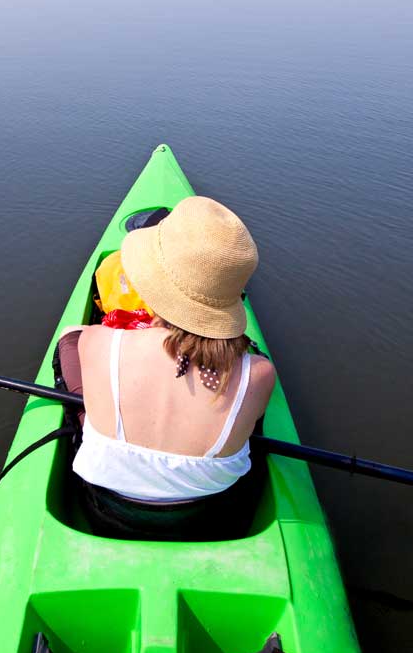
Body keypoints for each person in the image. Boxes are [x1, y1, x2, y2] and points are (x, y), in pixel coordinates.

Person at [58, 196, 276, 511]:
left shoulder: (99, 341)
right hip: (206, 514)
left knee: (69, 338)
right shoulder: (261, 374)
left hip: (106, 508)